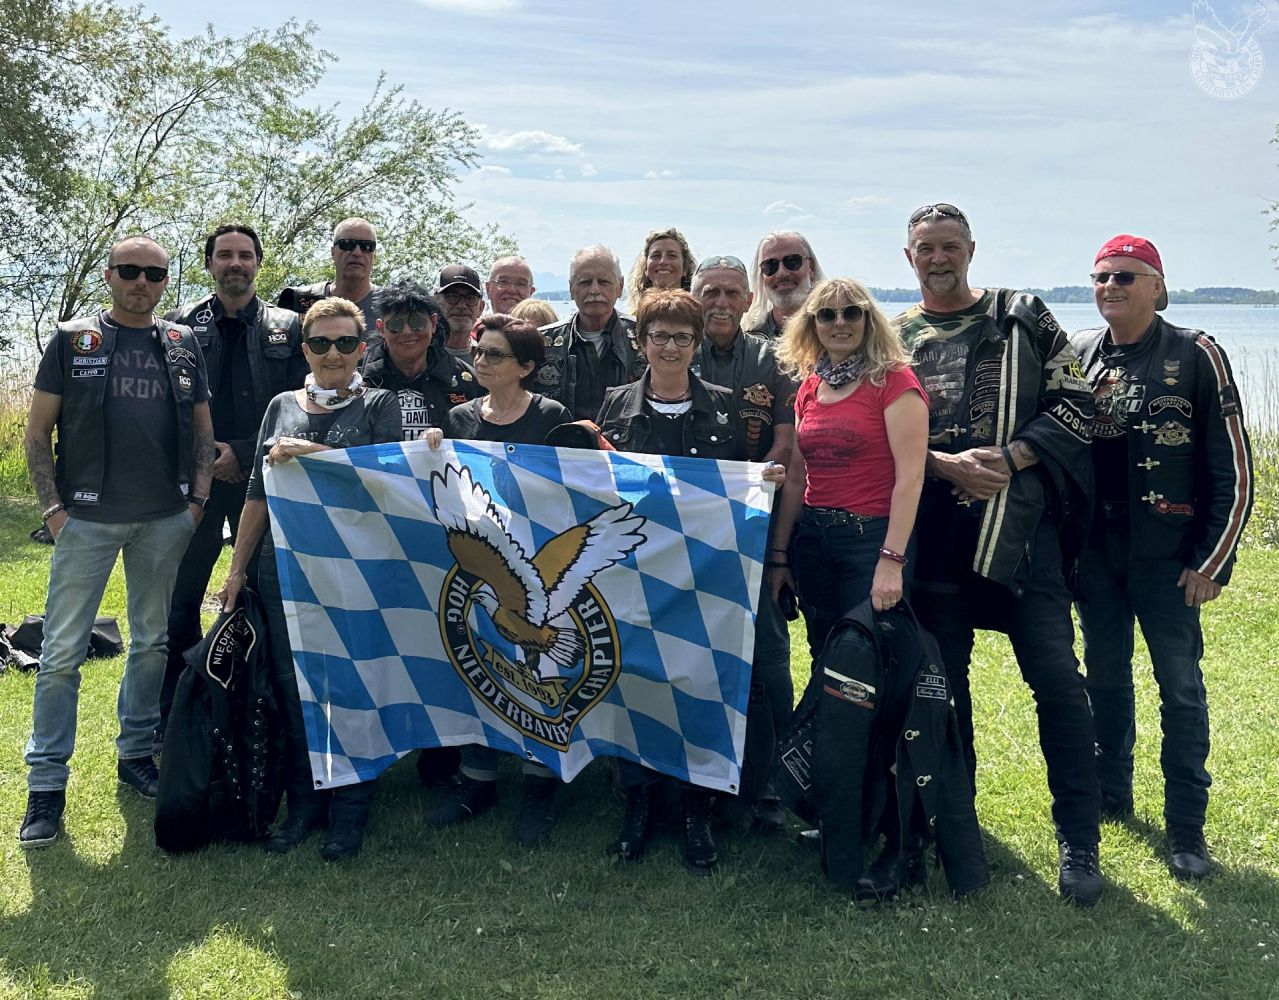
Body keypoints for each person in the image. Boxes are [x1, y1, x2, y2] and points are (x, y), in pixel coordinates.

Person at [894, 202, 1104, 906]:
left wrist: (1012, 458)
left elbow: (1077, 406)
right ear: (909, 257)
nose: (938, 258)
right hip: (936, 542)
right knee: (943, 691)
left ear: (971, 249)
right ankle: (958, 832)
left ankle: (1078, 839)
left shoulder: (1023, 315)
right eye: (925, 248)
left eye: (949, 245)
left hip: (1021, 538)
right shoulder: (893, 336)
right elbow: (877, 433)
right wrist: (944, 464)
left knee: (1058, 684)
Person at [20, 235, 214, 848]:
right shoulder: (73, 339)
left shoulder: (182, 342)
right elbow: (36, 432)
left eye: (154, 274)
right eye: (129, 271)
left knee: (151, 642)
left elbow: (203, 431)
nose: (141, 283)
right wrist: (53, 510)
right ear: (109, 276)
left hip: (164, 519)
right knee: (61, 653)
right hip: (87, 519)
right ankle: (46, 785)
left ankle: (135, 755)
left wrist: (196, 502)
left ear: (165, 282)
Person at [1071, 235, 1253, 880]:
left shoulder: (1196, 353)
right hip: (1097, 555)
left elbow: (1234, 469)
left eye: (1125, 276)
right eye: (1100, 277)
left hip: (1168, 558)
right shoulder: (1080, 354)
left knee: (1179, 689)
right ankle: (1112, 793)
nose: (1110, 287)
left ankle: (1186, 827)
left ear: (1157, 286)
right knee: (1105, 678)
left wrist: (1212, 561)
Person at [216, 297, 402, 861]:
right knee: (293, 683)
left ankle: (351, 806)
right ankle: (305, 801)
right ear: (305, 349)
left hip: (355, 567)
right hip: (283, 565)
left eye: (345, 343)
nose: (332, 354)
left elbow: (384, 482)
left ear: (362, 349)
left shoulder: (380, 405)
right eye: (320, 343)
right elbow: (257, 492)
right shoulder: (280, 406)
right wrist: (237, 568)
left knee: (352, 683)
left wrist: (312, 453)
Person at [594, 289, 737, 875]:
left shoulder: (725, 407)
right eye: (659, 336)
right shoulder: (613, 405)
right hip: (632, 570)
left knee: (698, 682)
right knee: (635, 681)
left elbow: (740, 487)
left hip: (703, 574)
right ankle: (639, 804)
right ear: (641, 342)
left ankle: (696, 810)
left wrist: (765, 481)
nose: (670, 347)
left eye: (682, 337)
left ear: (697, 344)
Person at [421, 314, 572, 847]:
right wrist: (431, 446)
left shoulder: (551, 416)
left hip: (536, 571)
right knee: (479, 666)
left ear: (525, 367)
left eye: (495, 354)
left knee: (537, 673)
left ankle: (539, 786)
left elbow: (568, 491)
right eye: (478, 352)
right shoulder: (459, 417)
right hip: (476, 571)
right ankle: (477, 779)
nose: (480, 361)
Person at [159, 224, 308, 739]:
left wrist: (241, 452)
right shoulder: (177, 326)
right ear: (209, 264)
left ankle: (262, 712)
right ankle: (176, 713)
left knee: (265, 596)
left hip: (267, 483)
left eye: (245, 254)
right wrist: (208, 457)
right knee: (179, 598)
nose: (235, 263)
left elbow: (303, 405)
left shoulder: (291, 327)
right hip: (194, 484)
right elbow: (164, 406)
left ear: (258, 263)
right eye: (224, 255)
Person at [690, 253, 798, 832]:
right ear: (695, 296)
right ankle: (695, 771)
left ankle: (774, 778)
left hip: (752, 526)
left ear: (749, 299)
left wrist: (746, 495)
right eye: (710, 292)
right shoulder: (675, 347)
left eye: (732, 292)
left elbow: (785, 442)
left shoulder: (773, 359)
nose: (721, 303)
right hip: (687, 529)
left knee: (768, 656)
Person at [361, 277, 483, 440]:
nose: (407, 332)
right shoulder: (359, 377)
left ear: (433, 323)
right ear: (381, 328)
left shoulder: (466, 380)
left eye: (417, 323)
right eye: (395, 325)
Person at [536, 245, 645, 421]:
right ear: (571, 289)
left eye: (604, 281)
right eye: (585, 282)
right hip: (561, 438)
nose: (594, 290)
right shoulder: (541, 342)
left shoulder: (647, 338)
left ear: (620, 286)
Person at [277, 218, 381, 332]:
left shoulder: (391, 306)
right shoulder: (297, 300)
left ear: (374, 256)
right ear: (333, 252)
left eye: (367, 246)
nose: (357, 253)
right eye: (347, 244)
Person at [743, 231, 825, 339]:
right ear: (761, 276)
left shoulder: (833, 331)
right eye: (770, 265)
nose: (781, 273)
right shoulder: (748, 339)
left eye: (792, 262)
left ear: (811, 268)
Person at [625, 227, 695, 313]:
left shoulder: (697, 316)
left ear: (685, 268)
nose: (663, 261)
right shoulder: (633, 319)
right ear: (645, 267)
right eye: (656, 256)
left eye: (672, 256)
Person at [436, 265, 486, 361]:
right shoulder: (419, 355)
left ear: (481, 308)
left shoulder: (488, 359)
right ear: (436, 303)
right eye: (452, 296)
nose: (462, 305)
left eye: (470, 298)